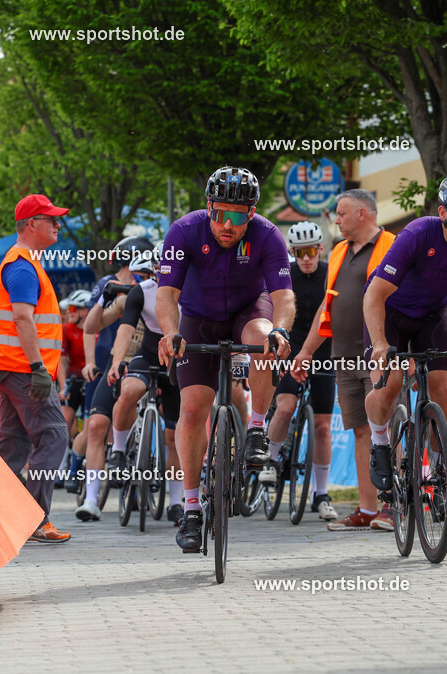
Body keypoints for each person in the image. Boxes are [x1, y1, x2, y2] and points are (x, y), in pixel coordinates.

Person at [157, 166, 294, 552]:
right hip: (198, 318)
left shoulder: (268, 235)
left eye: (237, 216)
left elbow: (283, 296)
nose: (227, 225)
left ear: (251, 213)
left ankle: (255, 428)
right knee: (193, 408)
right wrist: (170, 333)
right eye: (219, 214)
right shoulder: (184, 231)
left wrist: (281, 329)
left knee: (263, 338)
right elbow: (166, 295)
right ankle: (192, 506)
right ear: (208, 207)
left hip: (248, 310)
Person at [364, 175, 447, 497]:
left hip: (434, 313)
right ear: (443, 213)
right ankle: (380, 442)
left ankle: (441, 470)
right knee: (389, 383)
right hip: (390, 310)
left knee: (444, 391)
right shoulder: (416, 234)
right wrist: (380, 344)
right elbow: (374, 295)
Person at [292, 189, 395, 531]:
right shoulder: (338, 251)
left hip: (379, 352)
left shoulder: (392, 245)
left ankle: (391, 507)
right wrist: (306, 351)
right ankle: (367, 510)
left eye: (341, 213)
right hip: (344, 355)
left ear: (363, 214)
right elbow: (328, 305)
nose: (336, 220)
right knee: (361, 432)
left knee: (387, 430)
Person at [0, 194, 72, 544]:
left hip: (11, 367)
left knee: (13, 444)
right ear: (31, 224)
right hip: (21, 369)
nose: (58, 225)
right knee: (54, 434)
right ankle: (33, 518)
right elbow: (22, 318)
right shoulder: (22, 265)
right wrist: (37, 370)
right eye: (51, 220)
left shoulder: (24, 262)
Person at [76, 250, 183, 523]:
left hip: (173, 363)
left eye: (145, 274)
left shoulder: (189, 292)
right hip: (129, 362)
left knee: (175, 435)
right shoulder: (132, 297)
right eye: (143, 274)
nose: (145, 278)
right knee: (98, 424)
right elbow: (95, 327)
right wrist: (110, 363)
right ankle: (99, 482)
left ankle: (177, 500)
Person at [262, 221, 338, 521]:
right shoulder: (285, 276)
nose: (306, 258)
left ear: (321, 249)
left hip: (323, 351)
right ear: (293, 253)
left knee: (322, 426)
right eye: (299, 253)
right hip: (289, 349)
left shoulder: (331, 273)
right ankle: (270, 459)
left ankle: (321, 494)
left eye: (311, 252)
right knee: (285, 406)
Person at [69, 237, 152, 493]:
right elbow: (89, 328)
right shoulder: (107, 283)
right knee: (96, 426)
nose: (146, 272)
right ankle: (75, 467)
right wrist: (91, 362)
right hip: (109, 359)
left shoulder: (152, 287)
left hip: (141, 359)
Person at [59, 289, 91, 442]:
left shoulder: (97, 327)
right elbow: (61, 360)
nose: (68, 312)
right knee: (63, 422)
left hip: (93, 380)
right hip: (73, 379)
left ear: (84, 311)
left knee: (91, 426)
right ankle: (59, 464)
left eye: (72, 308)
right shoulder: (67, 329)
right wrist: (63, 387)